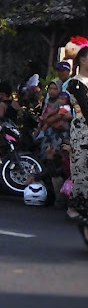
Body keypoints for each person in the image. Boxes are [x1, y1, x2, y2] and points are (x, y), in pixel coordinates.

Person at [65, 41, 88, 227]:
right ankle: (74, 206)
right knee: (80, 166)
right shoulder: (75, 83)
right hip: (81, 128)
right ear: (82, 59)